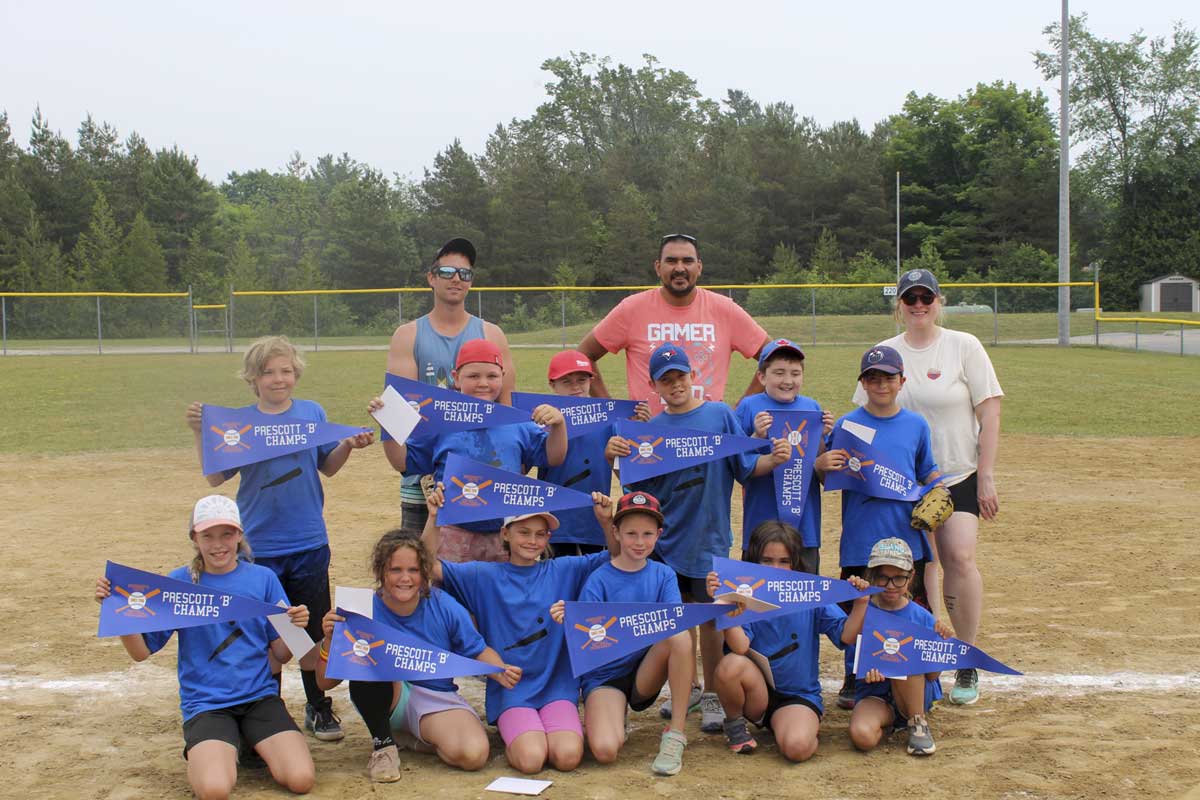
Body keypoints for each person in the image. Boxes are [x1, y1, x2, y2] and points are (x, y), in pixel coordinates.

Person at [186, 335, 373, 742]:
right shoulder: (238, 423)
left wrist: (346, 444)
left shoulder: (311, 412)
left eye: (285, 370)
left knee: (307, 630)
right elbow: (216, 478)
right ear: (252, 378)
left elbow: (328, 468)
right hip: (256, 548)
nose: (278, 378)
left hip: (307, 541)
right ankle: (265, 707)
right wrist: (200, 434)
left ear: (296, 373)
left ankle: (318, 706)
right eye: (268, 372)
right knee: (264, 630)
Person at [604, 344, 790, 733]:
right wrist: (616, 460)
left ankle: (710, 697)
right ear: (655, 385)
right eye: (666, 379)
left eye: (681, 376)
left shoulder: (719, 414)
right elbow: (638, 487)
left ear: (693, 377)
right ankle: (684, 688)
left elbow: (745, 466)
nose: (675, 385)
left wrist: (776, 458)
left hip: (710, 538)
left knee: (710, 620)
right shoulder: (652, 428)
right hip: (670, 541)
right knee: (677, 619)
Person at [94, 495, 315, 799]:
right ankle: (214, 748)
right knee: (214, 790)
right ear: (194, 539)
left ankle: (243, 741)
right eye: (207, 536)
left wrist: (294, 626)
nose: (218, 544)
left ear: (239, 536)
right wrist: (119, 612)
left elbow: (280, 654)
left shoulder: (263, 579)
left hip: (259, 698)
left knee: (301, 779)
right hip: (207, 705)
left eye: (227, 534)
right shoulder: (179, 583)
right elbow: (140, 652)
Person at [853, 268, 1003, 706]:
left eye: (926, 297)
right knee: (921, 564)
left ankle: (966, 657)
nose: (918, 305)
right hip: (900, 483)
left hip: (956, 475)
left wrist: (987, 474)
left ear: (940, 301)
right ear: (898, 306)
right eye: (909, 298)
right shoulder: (885, 353)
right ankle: (925, 651)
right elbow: (863, 421)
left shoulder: (963, 346)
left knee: (957, 556)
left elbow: (989, 412)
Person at [421, 485, 613, 774]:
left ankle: (541, 725)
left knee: (568, 756)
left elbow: (616, 554)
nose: (532, 540)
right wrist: (434, 517)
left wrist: (605, 521)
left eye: (540, 534)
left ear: (549, 538)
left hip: (556, 687)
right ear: (505, 534)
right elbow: (426, 566)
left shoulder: (563, 569)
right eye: (523, 532)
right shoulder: (482, 575)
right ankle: (517, 729)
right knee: (531, 760)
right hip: (512, 689)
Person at [314, 529, 521, 782]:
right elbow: (324, 683)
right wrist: (329, 640)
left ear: (424, 572)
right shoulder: (362, 608)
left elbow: (478, 650)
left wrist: (500, 670)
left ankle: (409, 739)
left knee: (474, 755)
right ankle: (384, 746)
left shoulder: (442, 604)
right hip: (389, 695)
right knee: (371, 662)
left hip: (435, 696)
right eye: (395, 570)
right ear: (380, 572)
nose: (405, 578)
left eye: (413, 570)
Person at [816, 345, 941, 710]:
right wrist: (822, 463)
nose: (880, 384)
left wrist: (939, 487)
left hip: (906, 540)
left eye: (888, 377)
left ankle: (916, 675)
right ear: (863, 383)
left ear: (901, 381)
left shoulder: (916, 425)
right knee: (860, 607)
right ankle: (855, 676)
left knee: (908, 607)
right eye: (872, 377)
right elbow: (829, 478)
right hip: (860, 540)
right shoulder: (848, 425)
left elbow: (927, 471)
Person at [375, 338, 568, 562]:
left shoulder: (516, 423)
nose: (483, 383)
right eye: (473, 376)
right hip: (453, 532)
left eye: (492, 376)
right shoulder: (441, 423)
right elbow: (403, 462)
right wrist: (388, 427)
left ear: (502, 377)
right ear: (456, 378)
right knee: (450, 589)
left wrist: (559, 426)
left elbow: (554, 457)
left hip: (505, 534)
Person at [549, 491, 696, 777]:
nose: (639, 542)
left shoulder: (663, 575)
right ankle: (613, 717)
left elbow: (674, 621)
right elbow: (586, 639)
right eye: (630, 533)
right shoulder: (599, 579)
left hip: (644, 670)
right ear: (615, 532)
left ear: (659, 534)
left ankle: (676, 733)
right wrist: (570, 620)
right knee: (604, 751)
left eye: (647, 534)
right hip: (606, 676)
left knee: (679, 636)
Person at [705, 521, 871, 760]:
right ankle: (734, 724)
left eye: (784, 561)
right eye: (767, 560)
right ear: (754, 560)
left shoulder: (809, 592)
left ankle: (798, 723)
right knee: (730, 665)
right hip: (757, 693)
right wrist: (724, 606)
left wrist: (860, 604)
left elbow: (845, 637)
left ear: (796, 561)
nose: (776, 568)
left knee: (797, 748)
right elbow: (739, 647)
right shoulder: (747, 594)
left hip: (797, 696)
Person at [386, 237, 517, 531]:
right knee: (421, 569)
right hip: (426, 479)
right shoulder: (408, 335)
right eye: (447, 272)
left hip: (483, 477)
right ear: (431, 278)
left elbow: (507, 413)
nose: (456, 279)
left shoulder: (491, 334)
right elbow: (400, 413)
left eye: (465, 273)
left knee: (484, 567)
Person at [578, 233, 771, 411]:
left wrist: (740, 409)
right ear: (658, 267)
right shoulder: (632, 309)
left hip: (707, 438)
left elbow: (773, 356)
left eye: (687, 261)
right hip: (648, 438)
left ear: (699, 267)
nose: (680, 268)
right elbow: (583, 355)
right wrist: (610, 409)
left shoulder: (725, 310)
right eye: (671, 261)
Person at [733, 338, 834, 570]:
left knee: (803, 594)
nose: (787, 380)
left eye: (795, 373)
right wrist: (757, 436)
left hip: (804, 528)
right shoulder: (749, 406)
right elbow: (737, 467)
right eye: (779, 373)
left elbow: (823, 475)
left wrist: (821, 435)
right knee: (757, 595)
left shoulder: (812, 407)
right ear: (761, 377)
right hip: (760, 523)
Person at [848, 538, 954, 757]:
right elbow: (855, 663)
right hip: (875, 695)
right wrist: (867, 673)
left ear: (911, 577)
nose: (890, 586)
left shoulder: (922, 617)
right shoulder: (863, 612)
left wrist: (941, 644)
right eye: (883, 577)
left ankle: (917, 721)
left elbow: (932, 676)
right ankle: (890, 724)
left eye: (898, 578)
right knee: (862, 736)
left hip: (913, 693)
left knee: (905, 657)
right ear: (871, 576)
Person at [538, 349, 649, 557]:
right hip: (555, 523)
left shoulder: (608, 421)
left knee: (594, 581)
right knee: (557, 583)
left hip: (595, 521)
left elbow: (629, 467)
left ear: (591, 380)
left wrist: (642, 430)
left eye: (582, 379)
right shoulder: (544, 420)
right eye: (566, 381)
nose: (576, 387)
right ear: (552, 384)